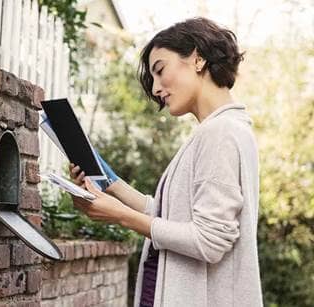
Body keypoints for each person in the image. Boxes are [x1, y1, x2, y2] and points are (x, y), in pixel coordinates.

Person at [69, 17, 263, 307]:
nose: (157, 88)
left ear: (197, 59)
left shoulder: (221, 133)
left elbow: (209, 241)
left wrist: (118, 216)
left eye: (160, 70)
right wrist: (110, 185)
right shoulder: (214, 131)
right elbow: (169, 216)